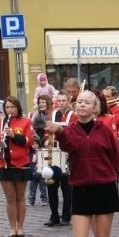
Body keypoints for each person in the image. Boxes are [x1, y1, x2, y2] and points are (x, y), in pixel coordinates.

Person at [43, 90, 119, 237]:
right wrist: (59, 131)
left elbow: (115, 157)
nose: (82, 105)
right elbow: (69, 145)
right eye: (79, 102)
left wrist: (110, 176)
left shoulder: (105, 130)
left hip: (104, 188)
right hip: (80, 188)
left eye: (87, 102)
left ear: (95, 107)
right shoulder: (71, 130)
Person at [0, 96, 34, 237]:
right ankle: (12, 227)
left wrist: (13, 136)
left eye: (12, 107)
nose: (9, 110)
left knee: (20, 196)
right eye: (7, 107)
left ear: (17, 107)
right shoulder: (0, 122)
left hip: (21, 163)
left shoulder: (25, 121)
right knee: (9, 198)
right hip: (4, 163)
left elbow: (29, 141)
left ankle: (20, 227)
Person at [44, 92, 76, 227]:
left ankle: (66, 216)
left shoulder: (73, 115)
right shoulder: (54, 114)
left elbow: (74, 133)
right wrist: (47, 140)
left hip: (66, 153)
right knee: (51, 185)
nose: (61, 103)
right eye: (59, 100)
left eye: (64, 100)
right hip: (53, 153)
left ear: (69, 101)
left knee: (66, 187)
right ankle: (54, 215)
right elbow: (47, 131)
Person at [28, 95, 51, 206]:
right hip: (39, 144)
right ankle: (39, 198)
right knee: (40, 172)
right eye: (40, 102)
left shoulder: (51, 114)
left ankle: (47, 196)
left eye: (43, 102)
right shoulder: (37, 116)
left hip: (49, 143)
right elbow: (33, 127)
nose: (41, 104)